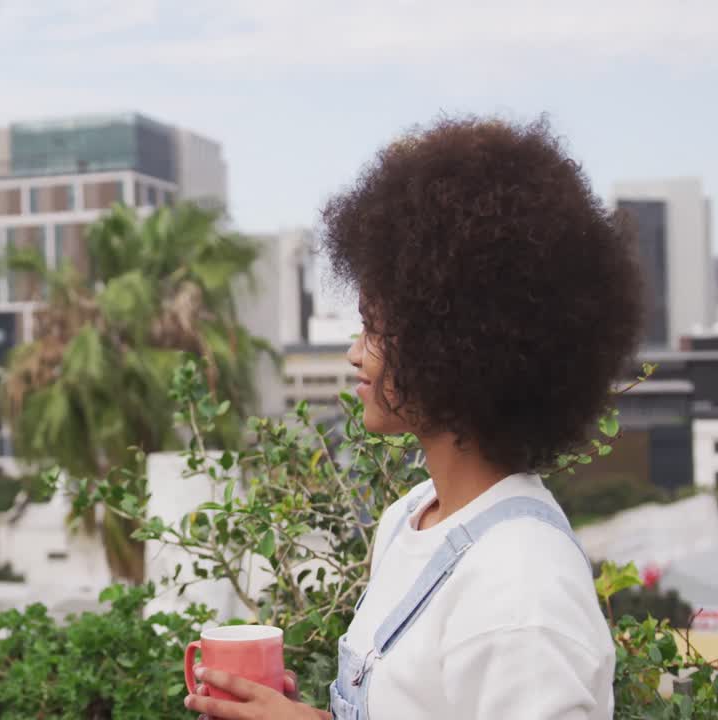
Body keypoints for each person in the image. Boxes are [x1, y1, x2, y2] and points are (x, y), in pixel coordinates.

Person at [185, 116, 642, 719]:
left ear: (456, 344)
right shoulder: (410, 519)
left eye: (376, 327)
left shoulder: (525, 594)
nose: (355, 352)